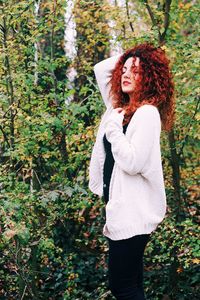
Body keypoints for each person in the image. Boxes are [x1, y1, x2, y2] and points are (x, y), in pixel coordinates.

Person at [88, 43, 175, 300]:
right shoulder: (120, 108)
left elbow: (133, 162)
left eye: (135, 71)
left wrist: (113, 129)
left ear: (149, 76)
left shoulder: (147, 114)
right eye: (124, 70)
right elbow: (101, 68)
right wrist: (134, 55)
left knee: (122, 287)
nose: (125, 74)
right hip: (120, 208)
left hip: (133, 213)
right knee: (132, 285)